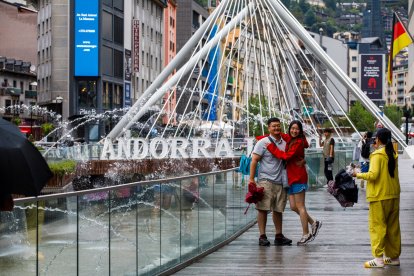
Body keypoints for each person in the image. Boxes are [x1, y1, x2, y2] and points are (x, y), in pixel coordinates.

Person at [265, 120, 322, 245]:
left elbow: (286, 156)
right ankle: (313, 222)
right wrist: (264, 138)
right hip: (290, 178)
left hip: (298, 177)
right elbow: (280, 135)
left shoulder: (298, 142)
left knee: (300, 206)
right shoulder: (290, 138)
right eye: (292, 128)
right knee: (293, 206)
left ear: (300, 131)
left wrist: (270, 147)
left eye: (297, 129)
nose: (294, 131)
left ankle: (306, 234)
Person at [353, 128, 401, 268]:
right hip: (393, 195)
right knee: (393, 228)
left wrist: (357, 174)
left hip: (379, 196)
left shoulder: (377, 155)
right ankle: (394, 257)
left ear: (378, 139)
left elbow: (373, 175)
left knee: (377, 227)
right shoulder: (392, 153)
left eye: (375, 139)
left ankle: (378, 259)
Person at [249, 117, 292, 246]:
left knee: (278, 210)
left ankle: (279, 236)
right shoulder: (263, 142)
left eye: (278, 126)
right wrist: (251, 179)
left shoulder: (285, 143)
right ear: (269, 128)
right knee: (262, 209)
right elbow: (254, 160)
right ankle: (262, 236)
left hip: (281, 181)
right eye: (274, 126)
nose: (277, 128)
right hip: (265, 181)